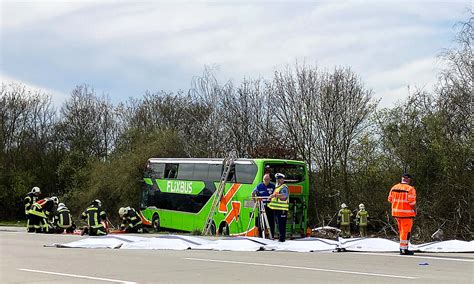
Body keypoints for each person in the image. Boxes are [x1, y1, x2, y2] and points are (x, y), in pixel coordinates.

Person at [388, 173, 417, 255]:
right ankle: (403, 249)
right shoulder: (410, 189)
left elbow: (390, 199)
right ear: (409, 179)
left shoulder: (394, 187)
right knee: (406, 231)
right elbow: (412, 202)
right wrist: (415, 211)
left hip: (396, 213)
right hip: (406, 214)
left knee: (401, 231)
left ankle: (403, 248)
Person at [268, 173, 289, 242]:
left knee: (281, 225)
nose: (278, 180)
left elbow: (284, 195)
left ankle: (282, 240)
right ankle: (278, 238)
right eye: (277, 179)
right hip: (276, 209)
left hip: (282, 209)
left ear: (283, 179)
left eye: (280, 179)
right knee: (277, 224)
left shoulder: (284, 187)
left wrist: (274, 196)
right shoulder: (277, 187)